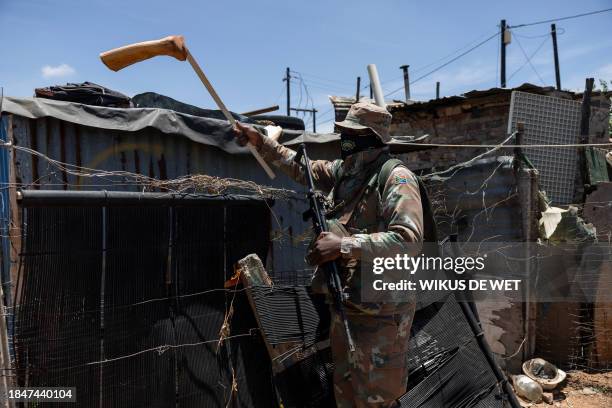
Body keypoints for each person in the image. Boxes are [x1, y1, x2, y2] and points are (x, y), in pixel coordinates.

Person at [234, 102, 424, 407]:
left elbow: (408, 240)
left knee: (378, 400)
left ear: (372, 138)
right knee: (345, 396)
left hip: (381, 318)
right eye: (343, 132)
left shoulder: (395, 178)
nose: (345, 139)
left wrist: (342, 245)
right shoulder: (346, 172)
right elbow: (300, 168)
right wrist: (261, 141)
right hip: (346, 307)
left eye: (352, 133)